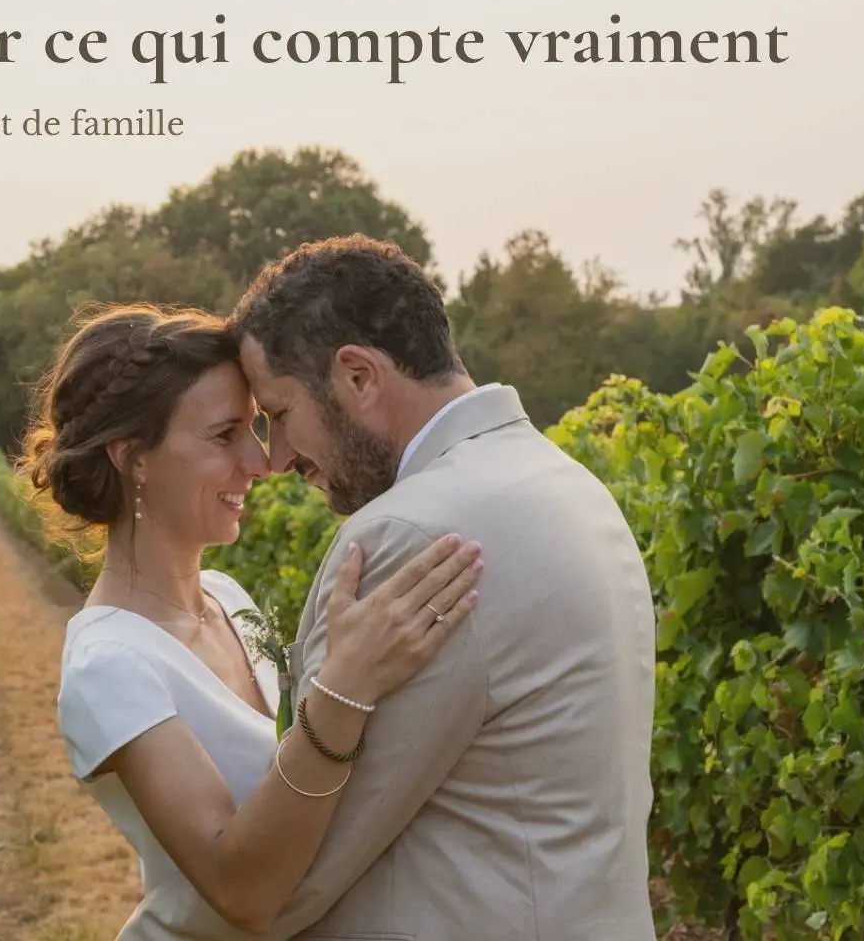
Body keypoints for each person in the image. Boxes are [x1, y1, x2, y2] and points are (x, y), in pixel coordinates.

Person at [201, 232, 658, 940]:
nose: (280, 458)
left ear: (358, 377)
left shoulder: (406, 537)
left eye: (282, 415)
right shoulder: (571, 485)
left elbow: (294, 873)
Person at [19, 301, 485, 940]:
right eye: (224, 434)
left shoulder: (228, 598)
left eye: (257, 427)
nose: (261, 462)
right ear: (134, 459)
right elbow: (241, 891)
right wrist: (346, 686)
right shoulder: (111, 665)